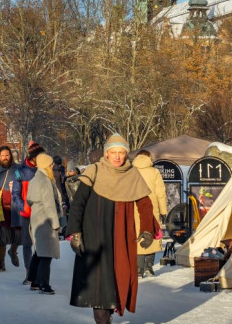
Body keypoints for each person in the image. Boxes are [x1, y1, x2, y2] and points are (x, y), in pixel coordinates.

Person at [66, 134, 155, 324]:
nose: (117, 156)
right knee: (97, 286)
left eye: (121, 152)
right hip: (94, 236)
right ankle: (103, 317)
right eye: (113, 152)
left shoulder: (132, 174)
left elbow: (145, 205)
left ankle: (108, 312)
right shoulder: (94, 170)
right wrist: (75, 232)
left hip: (120, 237)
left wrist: (147, 229)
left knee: (116, 279)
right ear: (106, 153)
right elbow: (78, 203)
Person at [24, 153, 63, 295]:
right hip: (46, 219)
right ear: (46, 165)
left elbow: (29, 199)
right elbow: (49, 204)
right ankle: (43, 284)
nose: (52, 166)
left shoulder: (35, 179)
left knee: (39, 251)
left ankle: (34, 280)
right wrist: (55, 223)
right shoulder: (45, 180)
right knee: (47, 253)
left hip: (36, 217)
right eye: (51, 164)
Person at [132, 150, 167, 277]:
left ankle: (138, 268)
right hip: (152, 208)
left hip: (134, 208)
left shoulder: (131, 171)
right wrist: (163, 211)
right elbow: (160, 193)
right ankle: (149, 266)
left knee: (138, 235)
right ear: (148, 158)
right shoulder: (154, 172)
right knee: (151, 234)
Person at [12, 141, 42, 281]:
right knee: (27, 244)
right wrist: (23, 206)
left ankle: (39, 272)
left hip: (41, 214)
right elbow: (15, 193)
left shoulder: (43, 171)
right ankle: (29, 272)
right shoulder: (20, 172)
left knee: (41, 244)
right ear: (32, 157)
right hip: (26, 214)